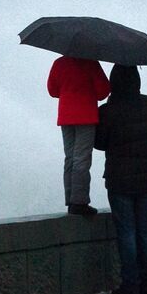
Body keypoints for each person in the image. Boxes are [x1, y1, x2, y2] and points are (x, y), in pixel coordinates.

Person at [95, 64, 147, 294]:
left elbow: (99, 142)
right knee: (146, 231)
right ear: (137, 80)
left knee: (127, 232)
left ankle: (130, 285)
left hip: (119, 181)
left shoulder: (108, 110)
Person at [47, 55, 111, 215]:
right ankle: (79, 202)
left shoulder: (59, 63)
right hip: (86, 116)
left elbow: (52, 91)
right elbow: (103, 91)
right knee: (81, 158)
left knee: (69, 158)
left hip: (66, 116)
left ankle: (70, 199)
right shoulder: (91, 62)